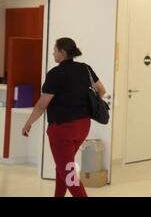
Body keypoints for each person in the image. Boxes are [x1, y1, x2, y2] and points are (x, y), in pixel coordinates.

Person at [22, 37, 106, 197]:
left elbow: (41, 105)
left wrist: (28, 123)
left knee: (69, 176)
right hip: (83, 126)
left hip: (63, 130)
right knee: (64, 168)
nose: (53, 52)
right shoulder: (85, 68)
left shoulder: (55, 74)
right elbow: (101, 90)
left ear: (62, 52)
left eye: (55, 49)